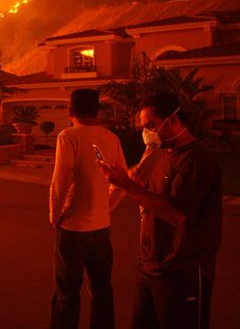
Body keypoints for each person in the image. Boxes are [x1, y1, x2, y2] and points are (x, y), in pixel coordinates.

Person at [97, 93, 222, 329]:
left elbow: (176, 213)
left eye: (151, 126)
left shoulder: (197, 160)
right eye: (144, 128)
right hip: (151, 266)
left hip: (182, 269)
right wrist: (124, 181)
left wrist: (127, 185)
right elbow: (148, 193)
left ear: (173, 120)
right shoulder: (163, 154)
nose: (147, 133)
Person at [49, 89, 127, 329]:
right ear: (98, 112)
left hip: (73, 229)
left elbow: (60, 181)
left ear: (71, 111)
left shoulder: (68, 136)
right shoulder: (111, 139)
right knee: (102, 290)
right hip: (101, 229)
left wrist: (55, 215)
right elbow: (122, 182)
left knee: (67, 293)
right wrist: (107, 207)